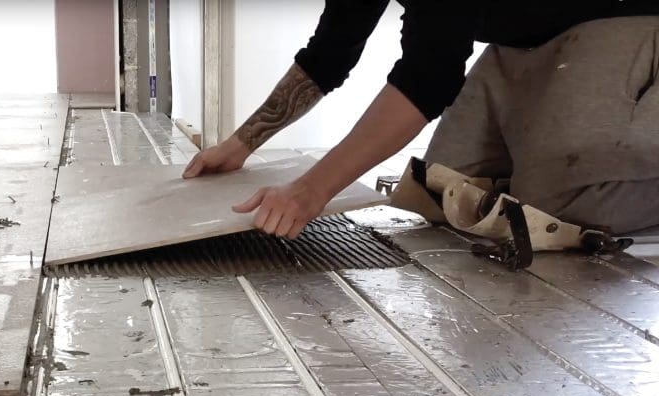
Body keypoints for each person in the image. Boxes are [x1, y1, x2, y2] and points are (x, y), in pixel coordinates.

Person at [183, 1, 659, 239]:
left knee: (549, 206)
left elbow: (427, 77)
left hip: (622, 21)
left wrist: (311, 190)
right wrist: (241, 144)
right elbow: (329, 54)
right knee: (449, 193)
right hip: (524, 44)